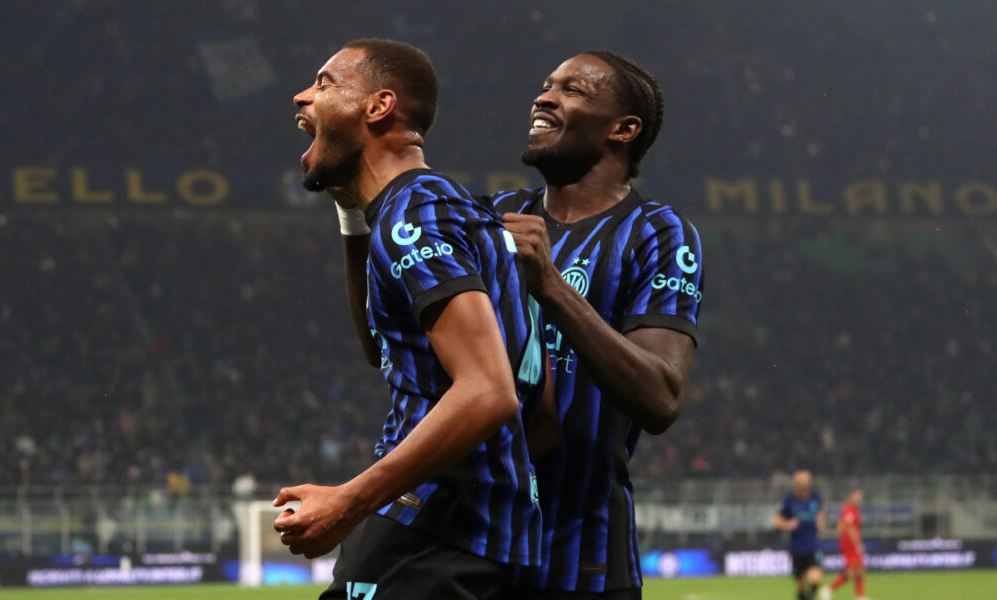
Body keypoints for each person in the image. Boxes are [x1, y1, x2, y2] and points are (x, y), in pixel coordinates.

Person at [272, 38, 552, 599]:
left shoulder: (415, 214)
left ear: (379, 107)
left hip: (430, 532)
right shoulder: (452, 211)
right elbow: (383, 349)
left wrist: (349, 501)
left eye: (325, 83)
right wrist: (352, 213)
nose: (302, 97)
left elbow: (489, 391)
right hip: (476, 534)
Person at [490, 51, 704, 598]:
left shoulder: (658, 234)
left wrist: (551, 286)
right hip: (476, 550)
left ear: (623, 130)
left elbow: (660, 398)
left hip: (584, 559)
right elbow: (381, 343)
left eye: (572, 90)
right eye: (546, 85)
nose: (544, 98)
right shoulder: (497, 215)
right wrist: (352, 215)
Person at [773, 469, 828, 600]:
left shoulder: (815, 498)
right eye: (799, 482)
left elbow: (821, 512)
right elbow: (776, 522)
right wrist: (788, 524)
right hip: (796, 548)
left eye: (805, 482)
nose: (802, 485)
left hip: (813, 546)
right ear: (795, 483)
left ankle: (811, 595)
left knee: (815, 579)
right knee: (801, 587)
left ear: (809, 483)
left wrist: (820, 521)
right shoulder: (789, 500)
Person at [827, 489, 868, 600]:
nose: (859, 499)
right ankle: (829, 589)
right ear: (851, 496)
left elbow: (842, 526)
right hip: (849, 545)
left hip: (851, 544)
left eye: (861, 497)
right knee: (851, 572)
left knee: (859, 570)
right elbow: (850, 529)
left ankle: (860, 596)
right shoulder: (849, 510)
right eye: (857, 496)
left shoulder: (854, 510)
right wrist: (858, 544)